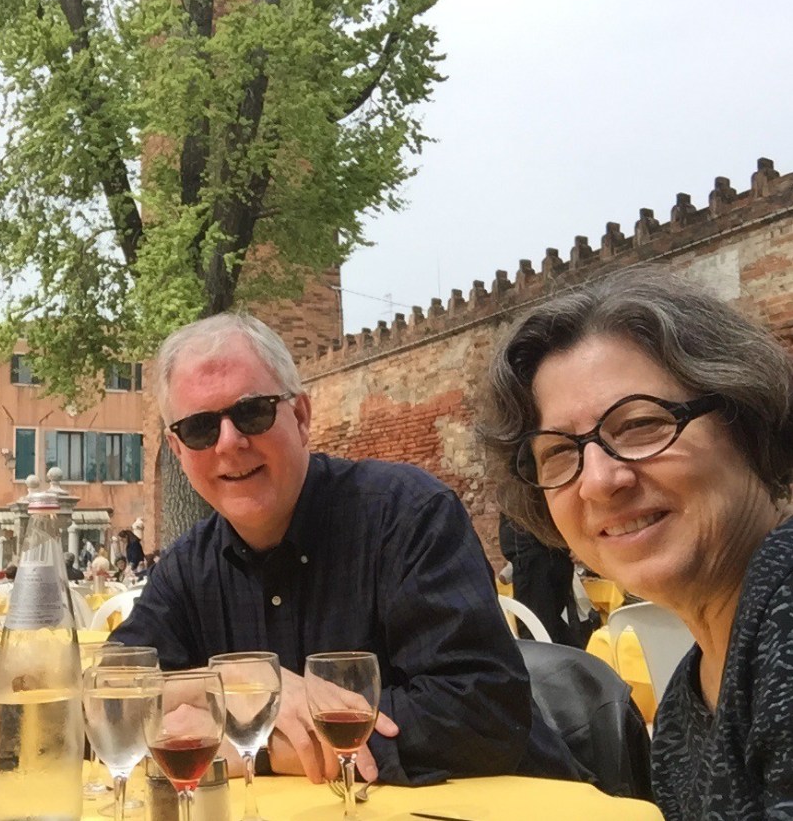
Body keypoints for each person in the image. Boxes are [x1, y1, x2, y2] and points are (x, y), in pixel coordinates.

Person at [113, 312, 578, 786]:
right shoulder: (186, 567)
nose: (229, 443)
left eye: (252, 412)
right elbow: (105, 701)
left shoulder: (408, 516)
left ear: (301, 417)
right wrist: (231, 683)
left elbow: (482, 714)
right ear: (178, 451)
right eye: (199, 428)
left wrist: (254, 746)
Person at [480, 267, 793, 819]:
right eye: (559, 452)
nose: (599, 481)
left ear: (747, 422)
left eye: (640, 425)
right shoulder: (684, 706)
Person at [498, 514, 594, 648]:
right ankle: (579, 657)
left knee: (535, 628)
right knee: (550, 625)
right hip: (543, 552)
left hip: (537, 555)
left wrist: (577, 542)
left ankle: (573, 657)